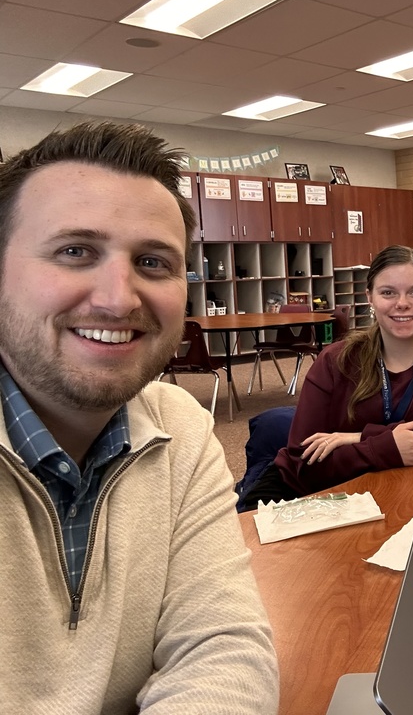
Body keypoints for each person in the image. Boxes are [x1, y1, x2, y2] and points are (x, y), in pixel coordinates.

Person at [0, 122, 278, 712]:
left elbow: (222, 647)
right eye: (75, 251)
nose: (118, 298)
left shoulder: (179, 424)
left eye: (153, 262)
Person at [240, 245, 413, 507]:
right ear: (370, 297)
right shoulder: (337, 361)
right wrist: (389, 448)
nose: (402, 303)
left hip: (400, 493)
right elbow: (306, 462)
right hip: (312, 493)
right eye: (388, 292)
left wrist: (357, 437)